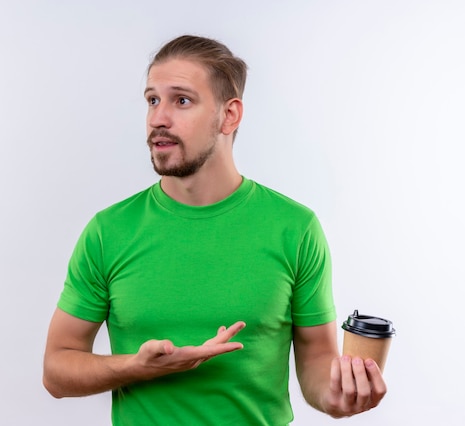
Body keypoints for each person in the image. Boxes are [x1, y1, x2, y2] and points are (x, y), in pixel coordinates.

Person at [42, 35, 387, 425]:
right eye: (152, 100)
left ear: (230, 115)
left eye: (181, 100)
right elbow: (56, 370)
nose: (158, 118)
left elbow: (316, 362)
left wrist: (339, 395)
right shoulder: (108, 231)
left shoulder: (295, 228)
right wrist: (137, 366)